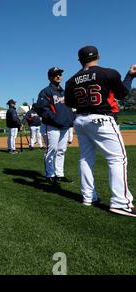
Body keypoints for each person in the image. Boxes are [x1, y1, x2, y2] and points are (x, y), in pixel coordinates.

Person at [65, 45, 136, 216]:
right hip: (101, 119)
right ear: (98, 55)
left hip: (81, 120)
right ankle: (120, 202)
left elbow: (70, 103)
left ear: (79, 60)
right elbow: (122, 94)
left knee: (86, 158)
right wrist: (130, 76)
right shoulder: (108, 72)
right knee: (117, 159)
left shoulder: (71, 80)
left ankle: (88, 197)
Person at [36, 67, 74, 184]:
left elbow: (69, 108)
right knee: (51, 150)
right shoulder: (45, 91)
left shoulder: (65, 92)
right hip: (52, 126)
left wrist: (70, 119)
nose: (58, 76)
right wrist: (55, 118)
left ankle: (60, 174)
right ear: (50, 77)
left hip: (64, 126)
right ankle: (50, 174)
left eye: (60, 74)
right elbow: (42, 109)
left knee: (61, 150)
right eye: (55, 75)